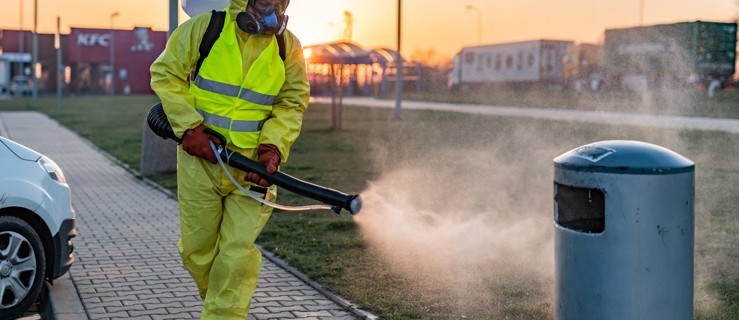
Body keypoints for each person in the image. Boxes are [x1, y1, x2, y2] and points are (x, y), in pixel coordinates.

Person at [149, 0, 309, 318]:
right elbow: (166, 74)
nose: (270, 6)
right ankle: (221, 305)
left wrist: (273, 149)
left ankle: (223, 313)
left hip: (253, 172)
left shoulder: (287, 46)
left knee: (236, 256)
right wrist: (189, 128)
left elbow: (292, 102)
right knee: (198, 252)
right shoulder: (207, 28)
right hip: (201, 162)